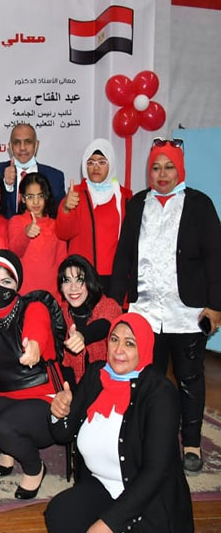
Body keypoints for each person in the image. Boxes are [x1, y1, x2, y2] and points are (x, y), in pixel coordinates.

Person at [110, 138, 221, 473]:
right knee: (148, 379)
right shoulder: (138, 204)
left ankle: (190, 443)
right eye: (156, 167)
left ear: (180, 169)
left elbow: (216, 258)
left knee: (189, 378)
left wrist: (216, 306)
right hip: (145, 312)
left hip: (186, 313)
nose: (162, 174)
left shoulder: (199, 205)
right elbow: (123, 256)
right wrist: (115, 305)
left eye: (169, 166)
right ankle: (152, 438)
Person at [45, 313, 194, 533]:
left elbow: (155, 473)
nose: (118, 350)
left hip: (149, 500)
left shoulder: (159, 393)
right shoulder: (97, 375)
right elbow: (63, 434)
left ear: (143, 347)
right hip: (103, 487)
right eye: (114, 340)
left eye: (129, 343)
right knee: (59, 514)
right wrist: (59, 413)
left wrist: (108, 524)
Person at [0, 250, 65, 500]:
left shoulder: (33, 307)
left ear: (17, 283)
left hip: (43, 398)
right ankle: (8, 448)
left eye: (6, 281)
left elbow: (36, 329)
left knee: (4, 427)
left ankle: (34, 468)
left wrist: (35, 345)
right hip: (5, 396)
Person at [56, 139, 131, 292]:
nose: (95, 167)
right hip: (81, 277)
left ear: (111, 164)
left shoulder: (125, 196)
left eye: (102, 162)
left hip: (115, 278)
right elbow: (63, 233)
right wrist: (65, 208)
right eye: (90, 162)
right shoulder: (75, 193)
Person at [57, 255, 121, 385]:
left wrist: (82, 336)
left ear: (90, 281)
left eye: (80, 280)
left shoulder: (108, 305)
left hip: (107, 384)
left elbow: (104, 325)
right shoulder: (61, 312)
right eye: (67, 281)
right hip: (73, 389)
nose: (73, 287)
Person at [0, 123, 66, 219]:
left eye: (28, 142)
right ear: (10, 146)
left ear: (36, 145)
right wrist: (7, 186)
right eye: (17, 143)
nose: (22, 148)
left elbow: (60, 217)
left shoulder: (55, 177)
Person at [8, 172, 67, 297]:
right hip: (23, 294)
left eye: (40, 196)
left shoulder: (55, 224)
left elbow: (62, 261)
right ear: (22, 198)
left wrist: (62, 295)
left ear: (46, 197)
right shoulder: (16, 221)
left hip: (52, 295)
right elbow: (14, 252)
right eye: (30, 197)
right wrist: (25, 234)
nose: (36, 202)